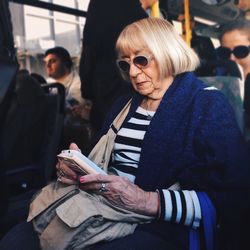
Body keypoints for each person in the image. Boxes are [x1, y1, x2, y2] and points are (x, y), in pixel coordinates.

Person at [1, 17, 250, 250]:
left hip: (157, 222)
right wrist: (78, 170)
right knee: (16, 240)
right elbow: (106, 164)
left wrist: (147, 201)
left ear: (168, 54)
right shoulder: (124, 104)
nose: (131, 72)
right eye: (125, 63)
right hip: (101, 206)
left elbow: (230, 196)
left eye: (141, 60)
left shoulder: (207, 105)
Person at [79, 0, 147, 134]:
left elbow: (88, 52)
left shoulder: (97, 7)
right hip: (129, 81)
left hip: (101, 84)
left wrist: (87, 92)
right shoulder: (137, 14)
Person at [44, 46, 91, 120]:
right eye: (46, 62)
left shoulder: (80, 84)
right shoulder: (47, 83)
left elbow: (74, 107)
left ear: (65, 62)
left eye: (52, 61)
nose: (47, 66)